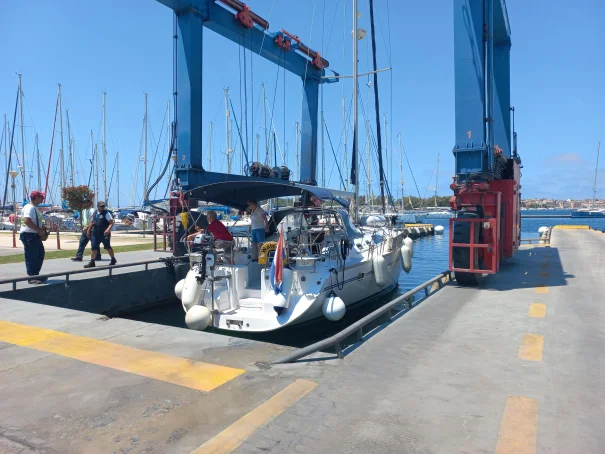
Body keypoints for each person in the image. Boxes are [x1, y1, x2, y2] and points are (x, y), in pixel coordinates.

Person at [19, 190, 47, 284]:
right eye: (42, 197)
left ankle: (35, 274)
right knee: (32, 255)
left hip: (33, 234)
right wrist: (39, 230)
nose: (43, 199)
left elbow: (34, 221)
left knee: (40, 254)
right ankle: (32, 276)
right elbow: (27, 220)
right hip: (29, 234)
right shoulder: (29, 207)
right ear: (37, 198)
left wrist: (42, 228)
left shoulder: (34, 208)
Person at [84, 201, 116, 268]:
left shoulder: (106, 213)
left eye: (103, 206)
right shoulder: (95, 213)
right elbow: (92, 222)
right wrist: (88, 230)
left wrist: (108, 230)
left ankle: (113, 259)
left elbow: (111, 222)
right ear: (98, 206)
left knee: (107, 247)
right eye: (101, 206)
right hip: (95, 233)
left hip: (104, 234)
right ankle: (92, 262)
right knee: (94, 247)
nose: (102, 207)